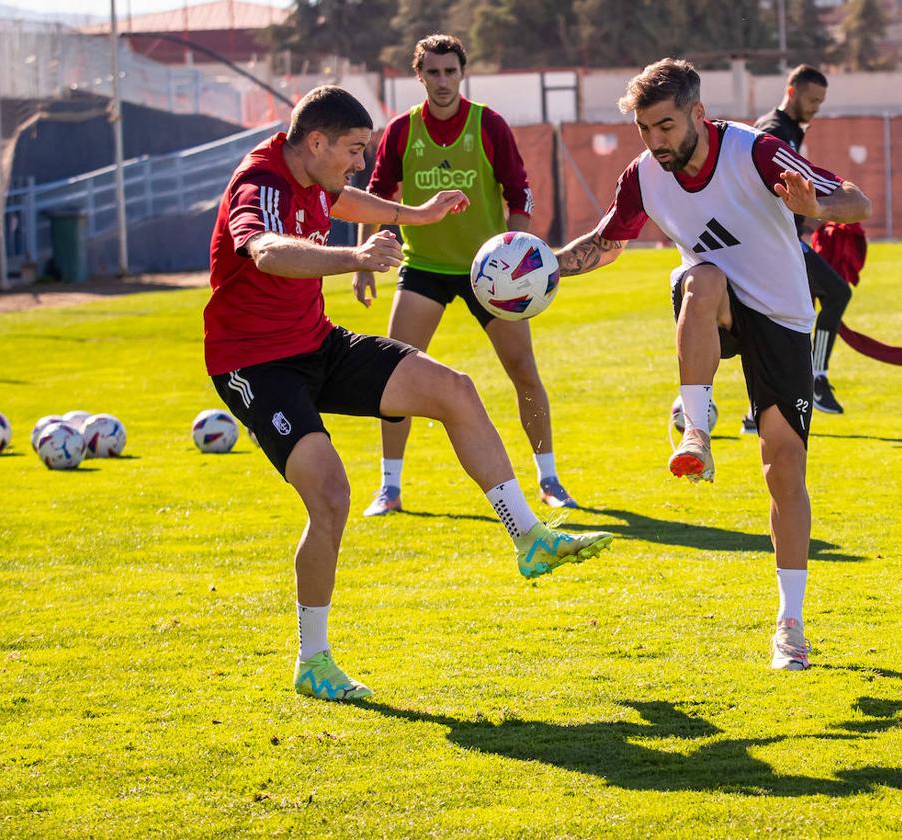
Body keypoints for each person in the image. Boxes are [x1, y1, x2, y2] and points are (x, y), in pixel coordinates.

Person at [205, 85, 613, 702]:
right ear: (315, 142)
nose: (358, 162)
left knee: (453, 388)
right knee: (333, 496)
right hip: (256, 365)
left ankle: (529, 536)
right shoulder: (260, 183)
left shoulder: (312, 172)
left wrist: (414, 216)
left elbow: (346, 198)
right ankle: (312, 660)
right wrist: (355, 258)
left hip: (315, 342)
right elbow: (265, 253)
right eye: (351, 149)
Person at [554, 59, 871, 670]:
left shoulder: (758, 152)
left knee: (785, 468)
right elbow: (606, 243)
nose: (656, 141)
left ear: (698, 114)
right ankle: (696, 428)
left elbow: (857, 200)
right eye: (645, 129)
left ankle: (790, 625)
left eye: (666, 126)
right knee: (699, 277)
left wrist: (818, 206)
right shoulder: (644, 175)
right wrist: (540, 265)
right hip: (717, 307)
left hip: (781, 318)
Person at [353, 34, 577, 517]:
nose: (442, 81)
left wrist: (517, 258)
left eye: (450, 71)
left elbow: (521, 195)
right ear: (419, 76)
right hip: (424, 270)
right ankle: (389, 488)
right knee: (393, 374)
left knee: (524, 373)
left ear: (462, 73)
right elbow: (375, 194)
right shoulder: (400, 130)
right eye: (432, 72)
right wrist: (363, 257)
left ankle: (549, 478)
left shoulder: (488, 124)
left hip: (491, 276)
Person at [747, 64, 852, 424]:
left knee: (777, 322)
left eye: (821, 101)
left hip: (786, 243)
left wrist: (807, 222)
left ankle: (757, 409)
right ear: (791, 93)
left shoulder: (789, 129)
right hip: (776, 249)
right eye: (811, 100)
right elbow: (762, 191)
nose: (816, 107)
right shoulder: (773, 131)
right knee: (833, 296)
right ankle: (816, 380)